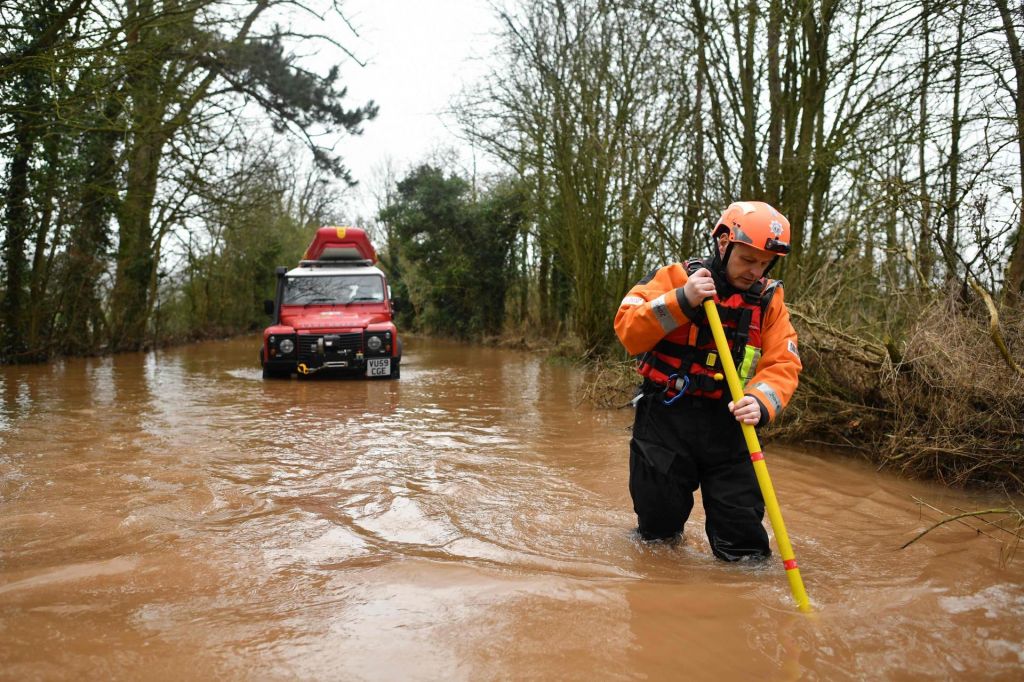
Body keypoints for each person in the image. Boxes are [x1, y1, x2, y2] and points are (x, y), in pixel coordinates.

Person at [613, 201, 802, 561]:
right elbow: (627, 329)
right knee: (656, 540)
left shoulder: (768, 301)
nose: (755, 271)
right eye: (748, 259)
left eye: (764, 263)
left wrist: (761, 402)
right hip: (665, 420)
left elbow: (784, 362)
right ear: (723, 243)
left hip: (731, 425)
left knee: (745, 548)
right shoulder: (674, 278)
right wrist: (682, 300)